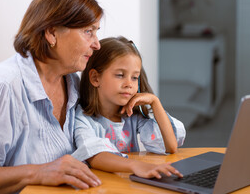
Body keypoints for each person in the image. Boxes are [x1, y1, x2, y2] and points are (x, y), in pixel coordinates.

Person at [0, 0, 104, 193]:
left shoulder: (73, 83)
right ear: (51, 33)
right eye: (88, 32)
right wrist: (38, 172)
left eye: (96, 32)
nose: (97, 44)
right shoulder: (1, 88)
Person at [72, 36, 186, 178]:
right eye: (120, 75)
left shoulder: (132, 116)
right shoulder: (83, 118)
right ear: (95, 78)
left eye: (134, 77)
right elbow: (96, 157)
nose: (129, 84)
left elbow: (171, 147)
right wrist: (135, 165)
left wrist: (155, 103)